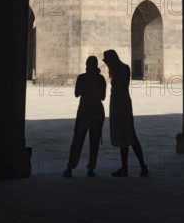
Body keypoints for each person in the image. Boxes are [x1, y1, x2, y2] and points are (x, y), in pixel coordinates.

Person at [102, 49, 149, 177]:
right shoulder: (117, 69)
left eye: (106, 60)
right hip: (118, 104)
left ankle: (142, 166)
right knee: (124, 137)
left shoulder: (123, 69)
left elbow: (120, 86)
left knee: (130, 134)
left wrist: (110, 68)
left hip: (122, 104)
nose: (106, 62)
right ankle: (125, 167)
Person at [63, 56, 106, 177]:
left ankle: (70, 167)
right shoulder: (101, 78)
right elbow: (103, 97)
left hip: (84, 111)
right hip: (97, 111)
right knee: (94, 142)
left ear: (87, 65)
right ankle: (91, 168)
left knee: (77, 140)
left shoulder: (82, 78)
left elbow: (77, 94)